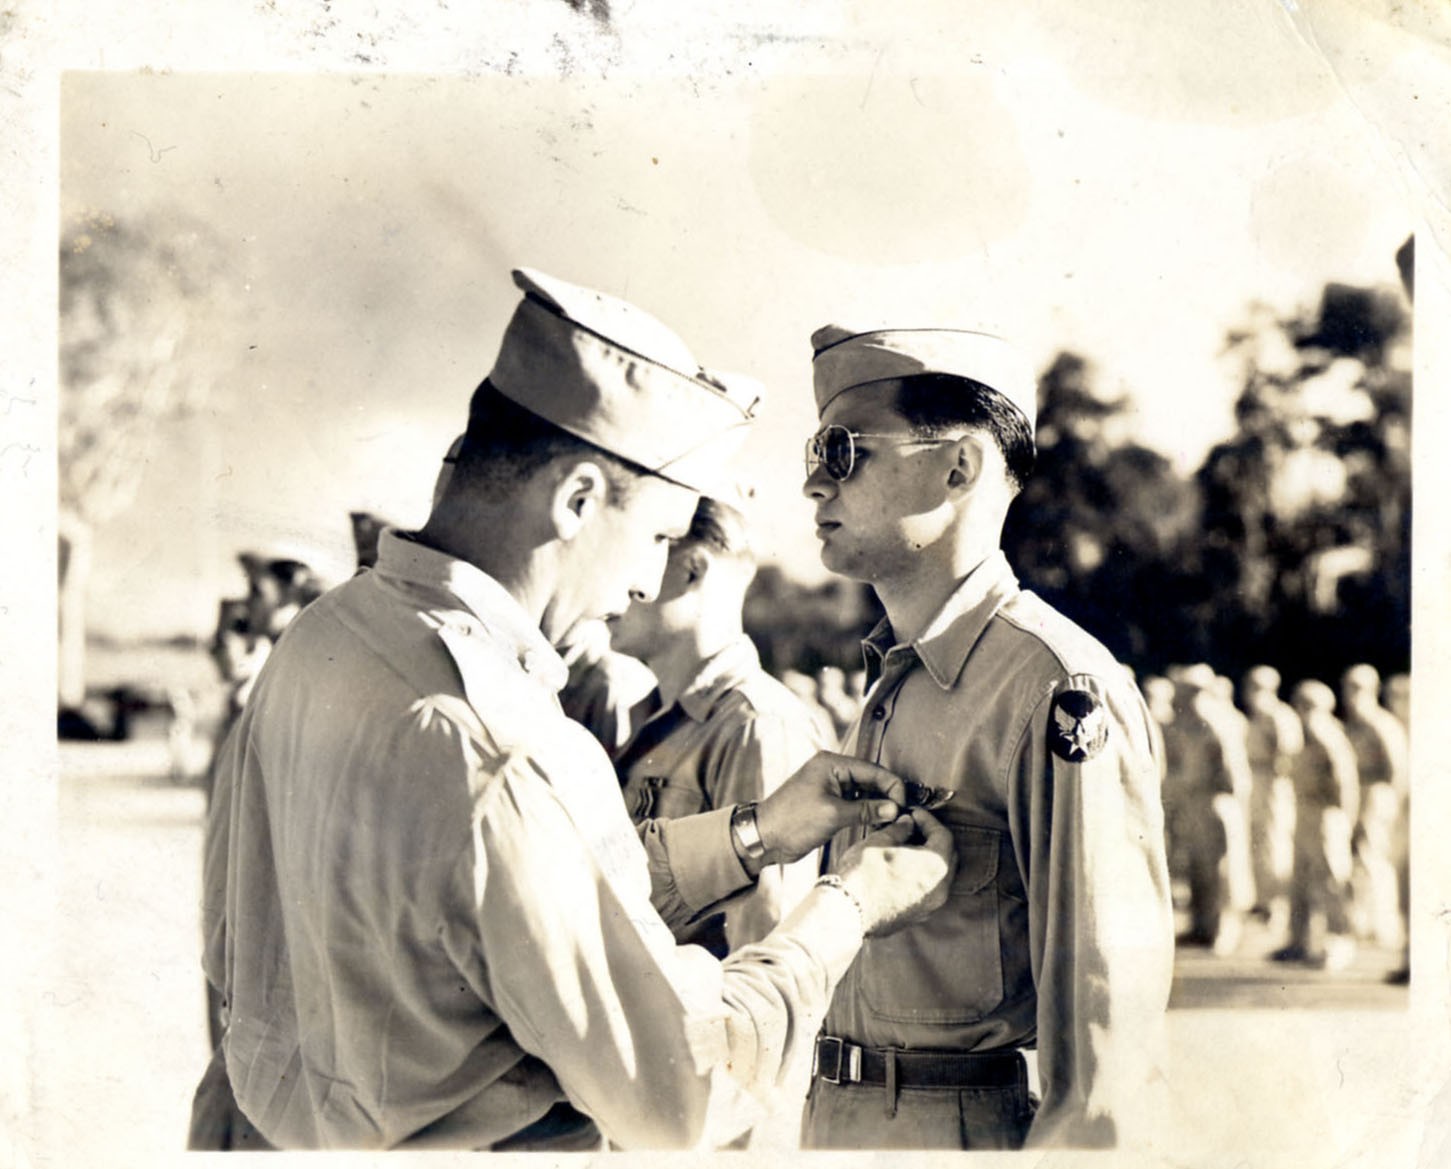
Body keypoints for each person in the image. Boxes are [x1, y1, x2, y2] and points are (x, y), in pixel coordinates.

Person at [196, 268, 957, 1151]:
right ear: (579, 499)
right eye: (661, 537)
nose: (645, 580)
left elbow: (492, 888)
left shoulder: (321, 640)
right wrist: (846, 908)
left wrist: (754, 834)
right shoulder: (508, 747)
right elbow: (679, 1088)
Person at [797, 324, 1174, 1150]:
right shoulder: (898, 675)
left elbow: (1104, 1050)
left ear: (957, 466)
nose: (812, 484)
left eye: (841, 450)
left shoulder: (1055, 686)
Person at [608, 483, 832, 956]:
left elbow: (767, 948)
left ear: (692, 570)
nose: (625, 584)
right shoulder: (648, 714)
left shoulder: (758, 726)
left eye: (649, 552)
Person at [1164, 664, 1254, 954]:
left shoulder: (1215, 720)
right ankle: (1201, 925)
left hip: (1217, 798)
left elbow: (1234, 770)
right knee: (1198, 866)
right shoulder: (1183, 722)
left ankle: (1224, 928)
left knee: (1221, 869)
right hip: (1194, 800)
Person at [1272, 679, 1359, 970]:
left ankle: (1338, 941)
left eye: (1307, 704)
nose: (1302, 710)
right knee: (1301, 879)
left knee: (1331, 879)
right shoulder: (1304, 735)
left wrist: (1346, 821)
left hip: (1325, 813)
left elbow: (1345, 783)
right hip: (1305, 811)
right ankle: (1299, 941)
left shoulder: (1328, 736)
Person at [1341, 663, 1408, 949]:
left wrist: (1391, 803)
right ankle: (1363, 920)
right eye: (1348, 688)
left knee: (1373, 856)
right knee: (1358, 857)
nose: (1351, 695)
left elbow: (1396, 767)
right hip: (1357, 791)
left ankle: (1382, 923)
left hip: (1377, 793)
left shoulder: (1380, 723)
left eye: (1358, 688)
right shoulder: (1352, 725)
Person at [1241, 665, 1303, 933]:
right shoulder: (1256, 718)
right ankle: (1264, 904)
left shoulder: (1280, 716)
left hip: (1275, 788)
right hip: (1257, 785)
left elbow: (1288, 756)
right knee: (1258, 845)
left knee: (1274, 845)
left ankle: (1278, 906)